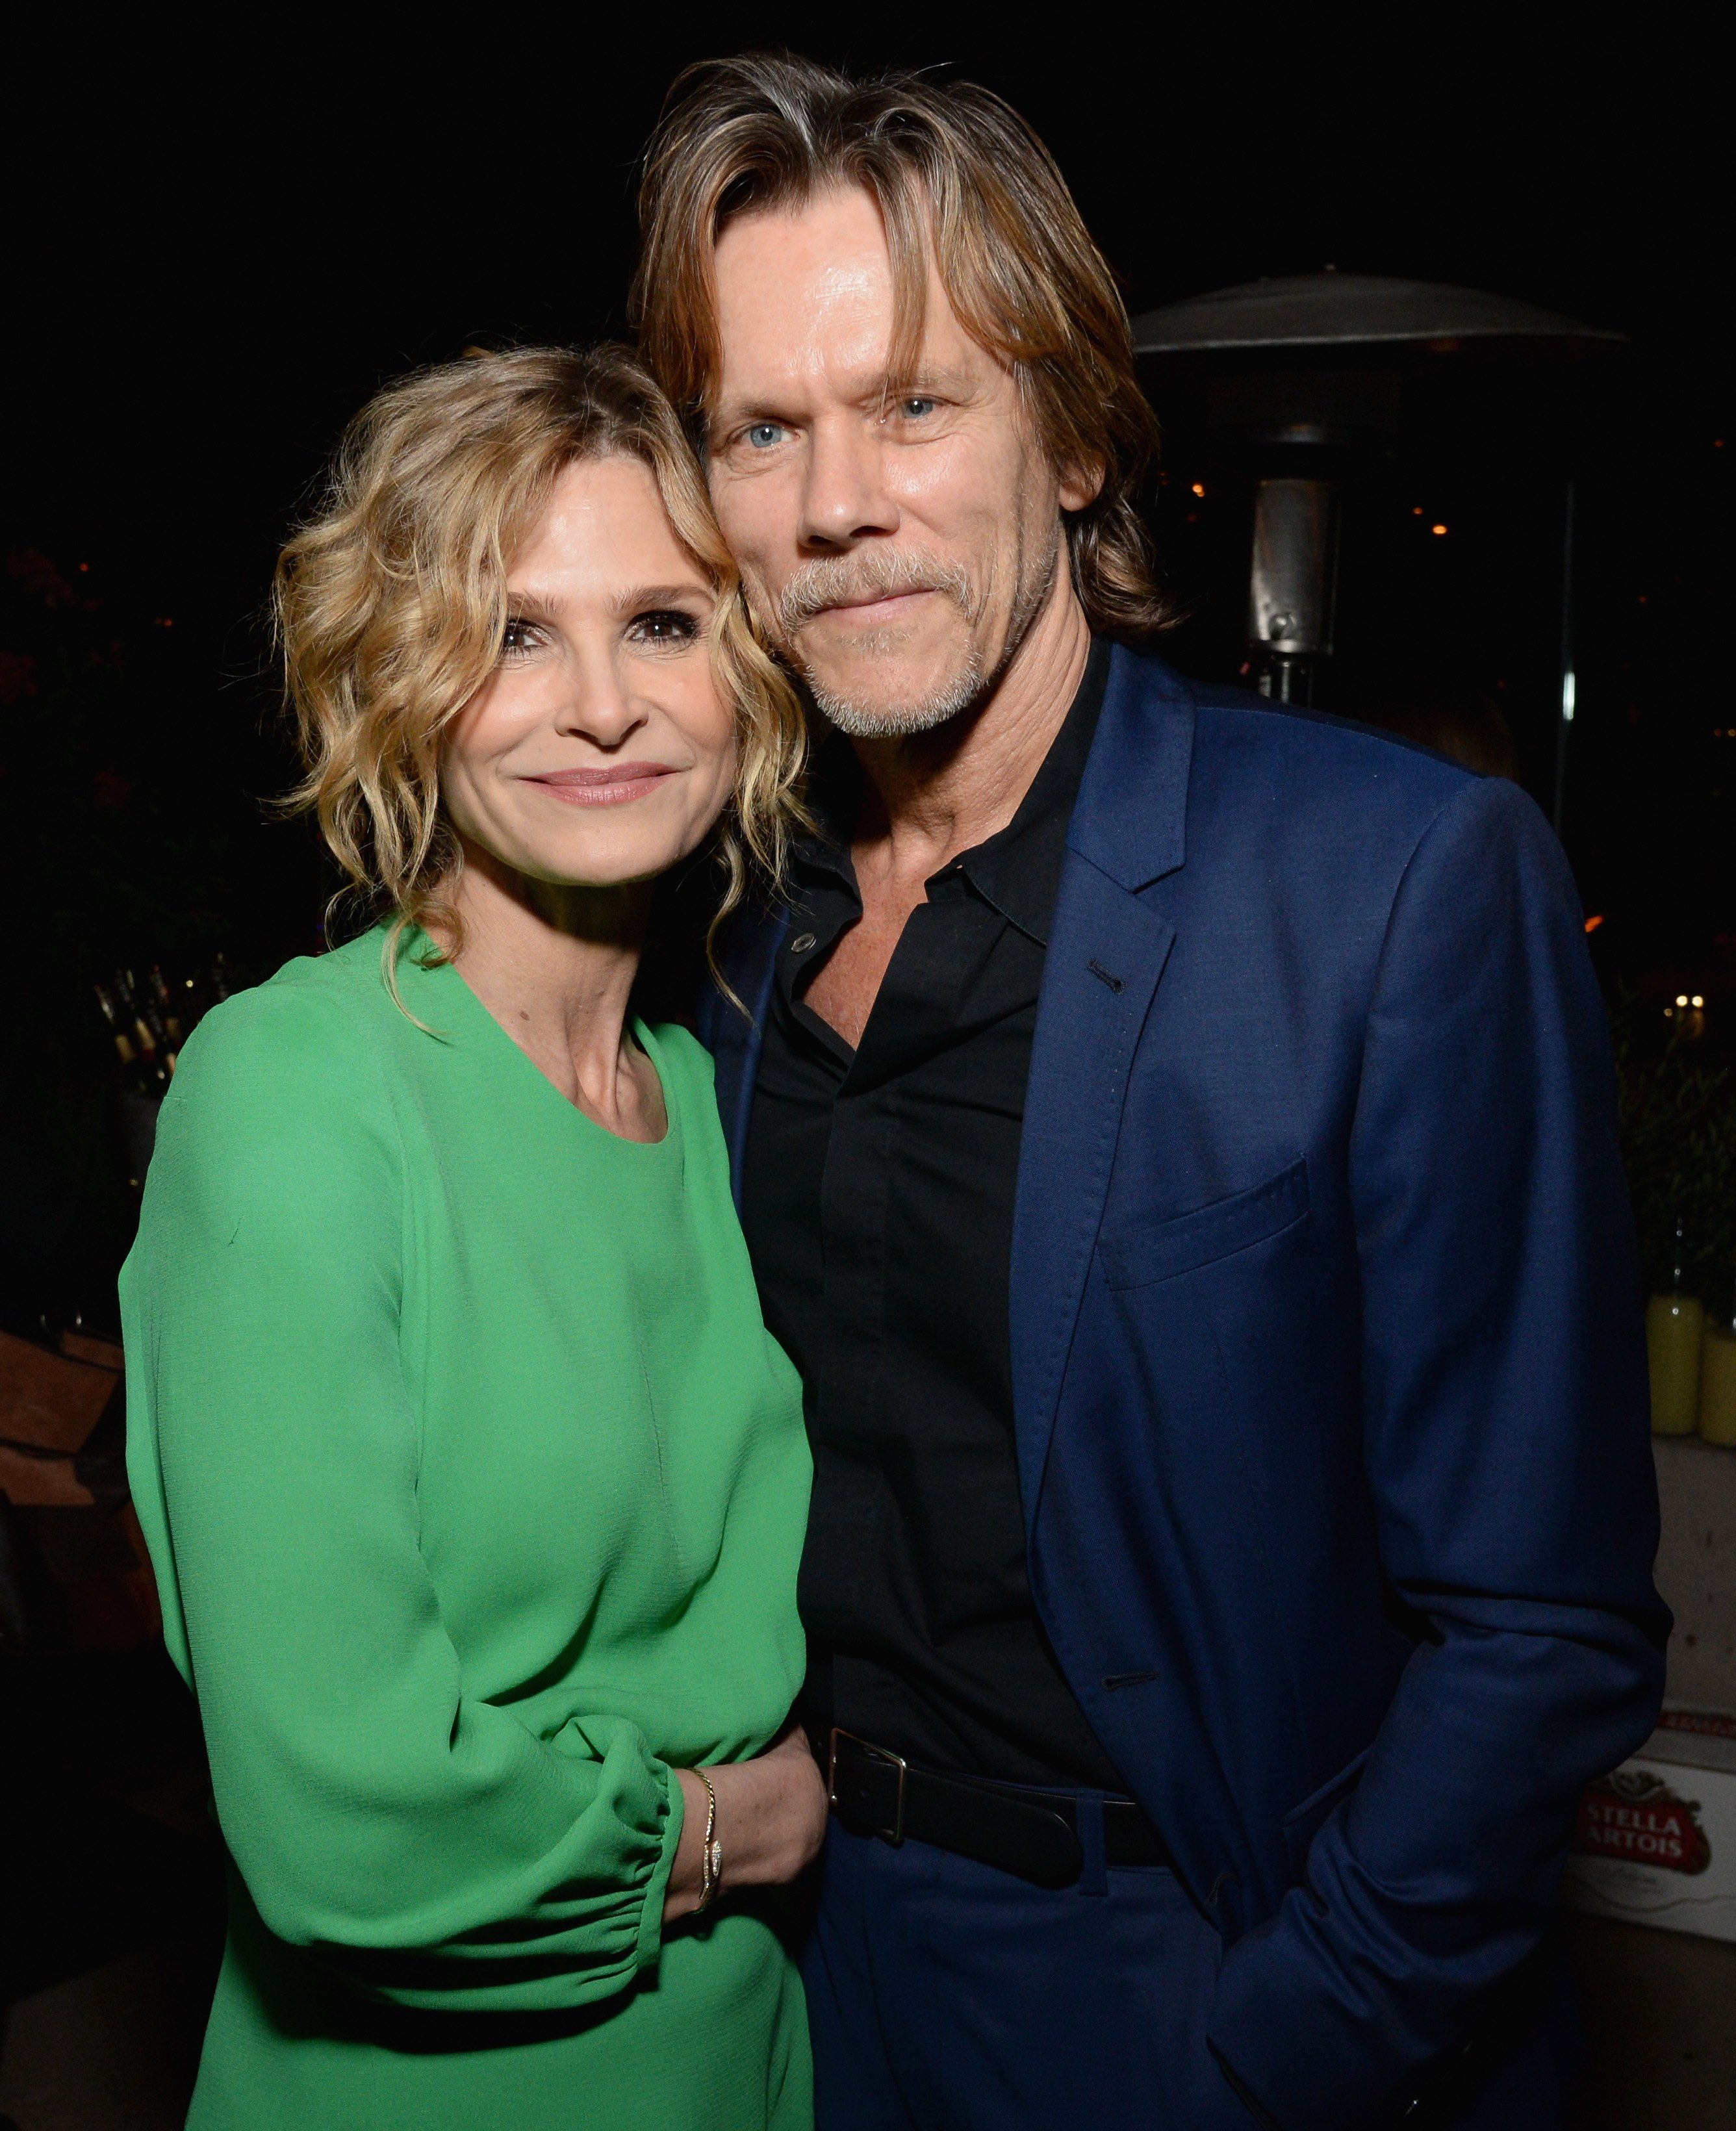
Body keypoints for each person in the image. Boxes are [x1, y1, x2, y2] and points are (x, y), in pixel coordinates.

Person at [632, 55, 1668, 2131]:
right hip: (788, 1977)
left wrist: (1289, 2038)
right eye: (765, 428)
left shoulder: (1392, 884)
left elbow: (1541, 1621)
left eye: (919, 401)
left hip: (1187, 1981)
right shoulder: (711, 927)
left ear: (1082, 435)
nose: (838, 502)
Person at [119, 345, 828, 2131]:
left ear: (747, 667)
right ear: (402, 687)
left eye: (663, 623)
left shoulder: (695, 1089)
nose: (603, 703)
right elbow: (345, 1822)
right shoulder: (294, 1095)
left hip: (737, 2064)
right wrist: (715, 1832)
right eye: (515, 634)